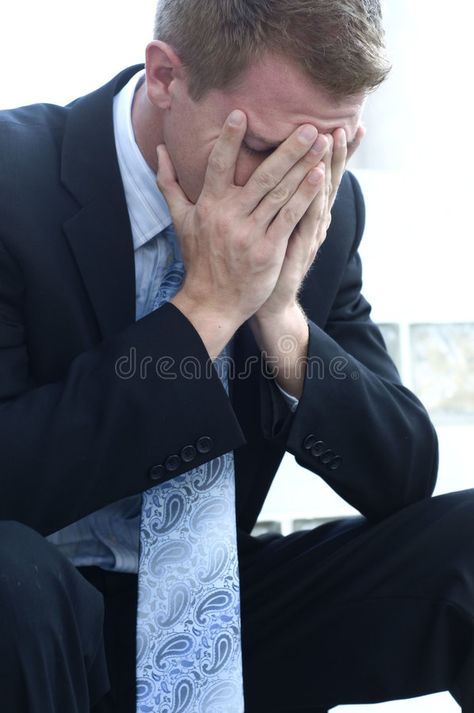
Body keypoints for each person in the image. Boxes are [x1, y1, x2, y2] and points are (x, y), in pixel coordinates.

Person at [0, 0, 473, 711]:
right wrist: (208, 311)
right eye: (266, 150)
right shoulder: (14, 180)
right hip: (39, 615)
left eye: (329, 151)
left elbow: (402, 475)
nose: (296, 186)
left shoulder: (326, 208)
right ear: (165, 76)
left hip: (222, 619)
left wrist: (280, 315)